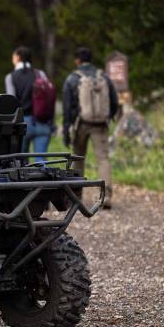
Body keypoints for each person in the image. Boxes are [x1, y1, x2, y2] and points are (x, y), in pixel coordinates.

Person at [62, 47, 118, 208]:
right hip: (100, 125)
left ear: (77, 60)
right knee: (103, 159)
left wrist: (66, 129)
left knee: (78, 157)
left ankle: (76, 196)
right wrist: (109, 117)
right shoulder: (104, 77)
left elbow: (67, 107)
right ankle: (105, 196)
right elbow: (114, 102)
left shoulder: (73, 78)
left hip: (81, 124)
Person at [5, 46, 54, 162]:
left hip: (22, 125)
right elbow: (48, 96)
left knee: (21, 163)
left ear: (17, 57)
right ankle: (45, 179)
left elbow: (12, 102)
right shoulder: (40, 74)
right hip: (42, 123)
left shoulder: (11, 77)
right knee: (41, 161)